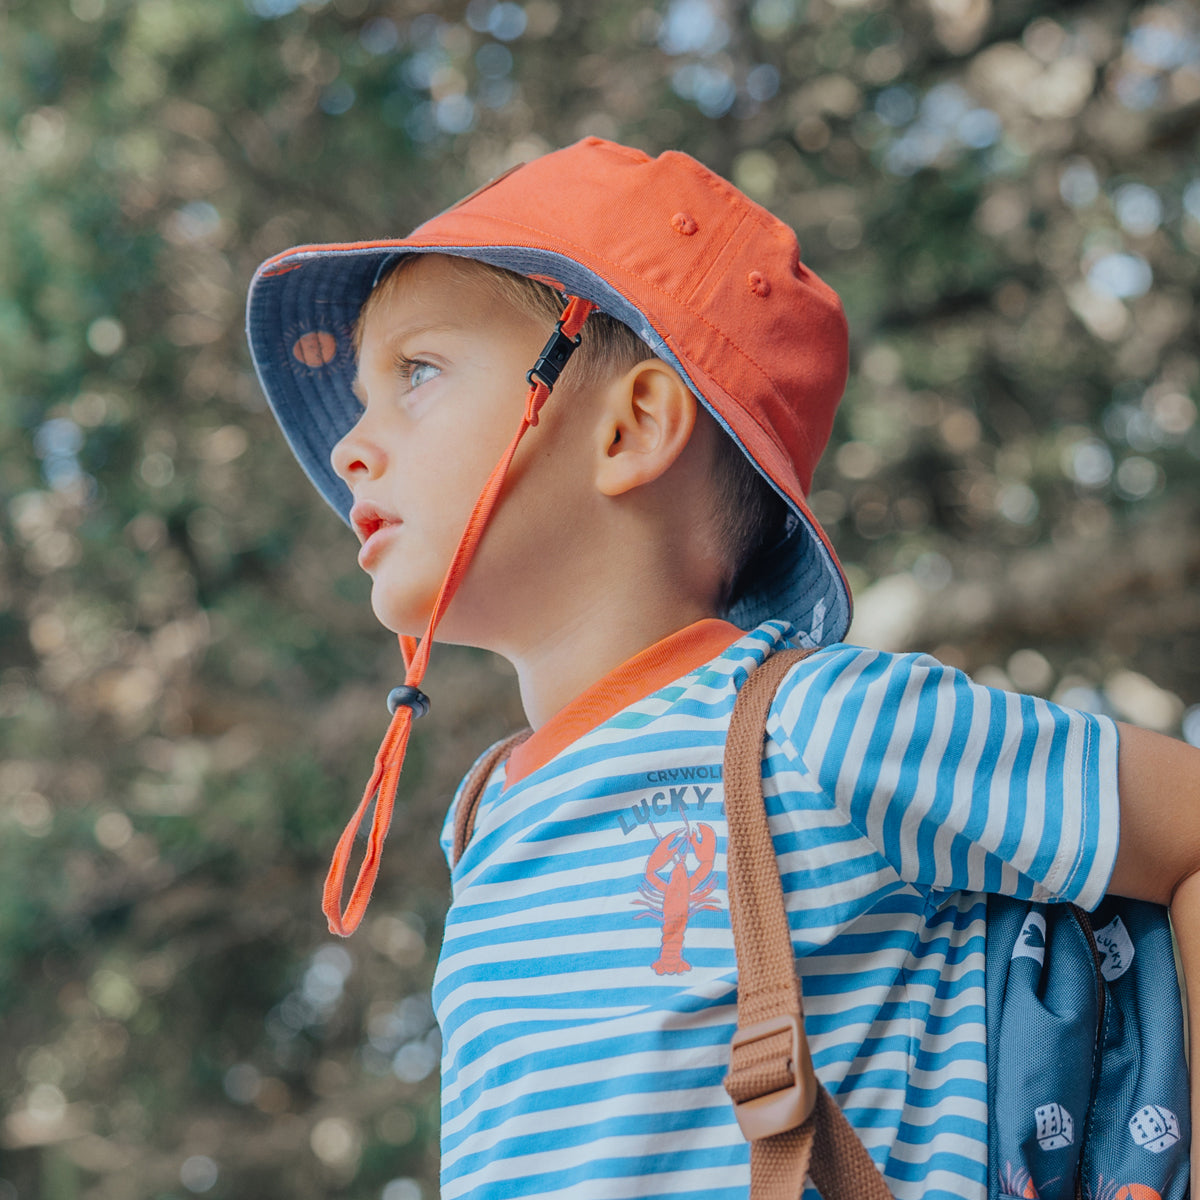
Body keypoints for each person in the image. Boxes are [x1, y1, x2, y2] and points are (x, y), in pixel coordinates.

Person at [246, 137, 1200, 1200]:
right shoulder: (482, 820)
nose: (350, 446)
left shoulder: (820, 725)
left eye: (416, 372)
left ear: (632, 427)